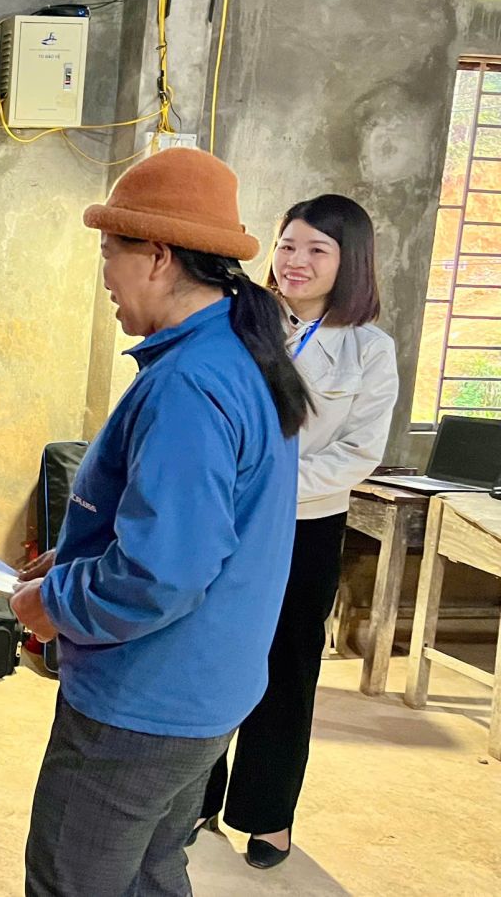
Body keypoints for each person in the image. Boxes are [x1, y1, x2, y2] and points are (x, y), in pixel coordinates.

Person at [10, 148, 311, 897]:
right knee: (148, 870)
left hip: (144, 700)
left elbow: (160, 574)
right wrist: (73, 558)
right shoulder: (236, 352)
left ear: (157, 255)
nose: (105, 277)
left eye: (108, 255)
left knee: (75, 879)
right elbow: (194, 530)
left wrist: (55, 603)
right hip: (203, 690)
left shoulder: (189, 383)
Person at [196, 194, 398, 868]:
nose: (295, 261)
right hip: (224, 517)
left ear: (350, 261)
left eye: (317, 249)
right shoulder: (240, 318)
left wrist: (267, 482)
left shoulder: (370, 350)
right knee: (209, 653)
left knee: (286, 668)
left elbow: (358, 454)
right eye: (287, 245)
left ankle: (268, 814)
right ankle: (197, 796)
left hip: (306, 527)